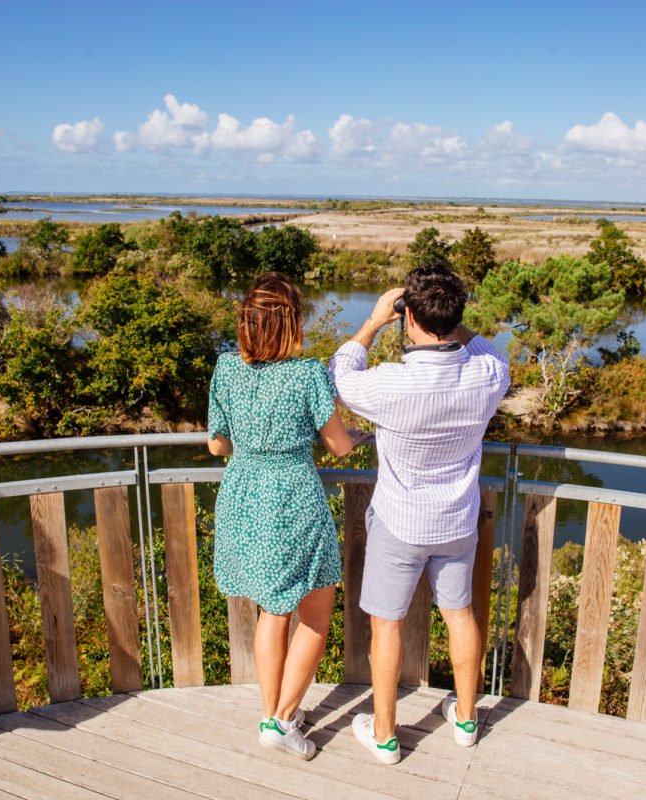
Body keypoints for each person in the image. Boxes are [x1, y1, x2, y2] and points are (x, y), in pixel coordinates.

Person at [329, 264, 510, 764]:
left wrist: (372, 322)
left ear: (407, 317)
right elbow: (491, 350)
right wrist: (452, 324)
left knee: (387, 626)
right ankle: (467, 719)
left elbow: (339, 376)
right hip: (457, 521)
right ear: (456, 317)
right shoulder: (487, 374)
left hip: (400, 522)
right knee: (460, 615)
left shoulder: (391, 386)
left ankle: (386, 735)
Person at [207, 272, 360, 760]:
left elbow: (216, 443)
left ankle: (273, 712)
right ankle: (283, 719)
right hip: (291, 495)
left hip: (243, 492)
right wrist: (357, 436)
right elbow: (337, 446)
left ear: (246, 323)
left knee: (271, 609)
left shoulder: (225, 369)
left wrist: (250, 442)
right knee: (314, 614)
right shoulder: (307, 374)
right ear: (292, 322)